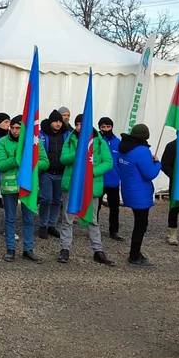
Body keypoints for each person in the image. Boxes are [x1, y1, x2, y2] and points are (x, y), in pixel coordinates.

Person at [57, 114, 116, 265]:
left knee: (93, 219)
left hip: (91, 185)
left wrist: (92, 173)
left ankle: (98, 250)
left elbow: (108, 162)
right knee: (68, 218)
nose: (79, 127)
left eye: (82, 124)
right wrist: (76, 154)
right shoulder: (70, 140)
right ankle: (65, 248)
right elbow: (63, 159)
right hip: (72, 184)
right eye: (77, 124)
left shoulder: (99, 141)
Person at [0, 115, 49, 263]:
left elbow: (45, 162)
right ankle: (10, 249)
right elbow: (0, 164)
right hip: (9, 188)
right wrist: (16, 159)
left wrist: (30, 164)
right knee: (10, 219)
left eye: (18, 128)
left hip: (28, 186)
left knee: (29, 219)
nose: (14, 130)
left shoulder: (34, 143)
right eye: (12, 127)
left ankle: (28, 249)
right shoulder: (1, 142)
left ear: (24, 128)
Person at [118, 124, 161, 267]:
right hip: (140, 194)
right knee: (141, 225)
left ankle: (135, 253)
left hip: (128, 190)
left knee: (139, 223)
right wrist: (157, 163)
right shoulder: (142, 151)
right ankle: (134, 255)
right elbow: (149, 174)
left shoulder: (124, 148)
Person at [38, 109, 70, 239]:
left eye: (60, 121)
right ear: (50, 122)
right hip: (46, 172)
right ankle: (42, 225)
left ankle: (52, 225)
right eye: (55, 121)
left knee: (57, 200)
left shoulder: (67, 135)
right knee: (46, 199)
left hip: (61, 172)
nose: (58, 124)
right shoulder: (41, 135)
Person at [97, 116, 123, 241]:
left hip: (113, 180)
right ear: (99, 128)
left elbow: (121, 159)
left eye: (108, 127)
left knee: (114, 207)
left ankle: (114, 231)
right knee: (96, 206)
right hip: (99, 179)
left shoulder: (117, 142)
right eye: (103, 127)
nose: (106, 129)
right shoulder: (97, 141)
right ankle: (94, 228)